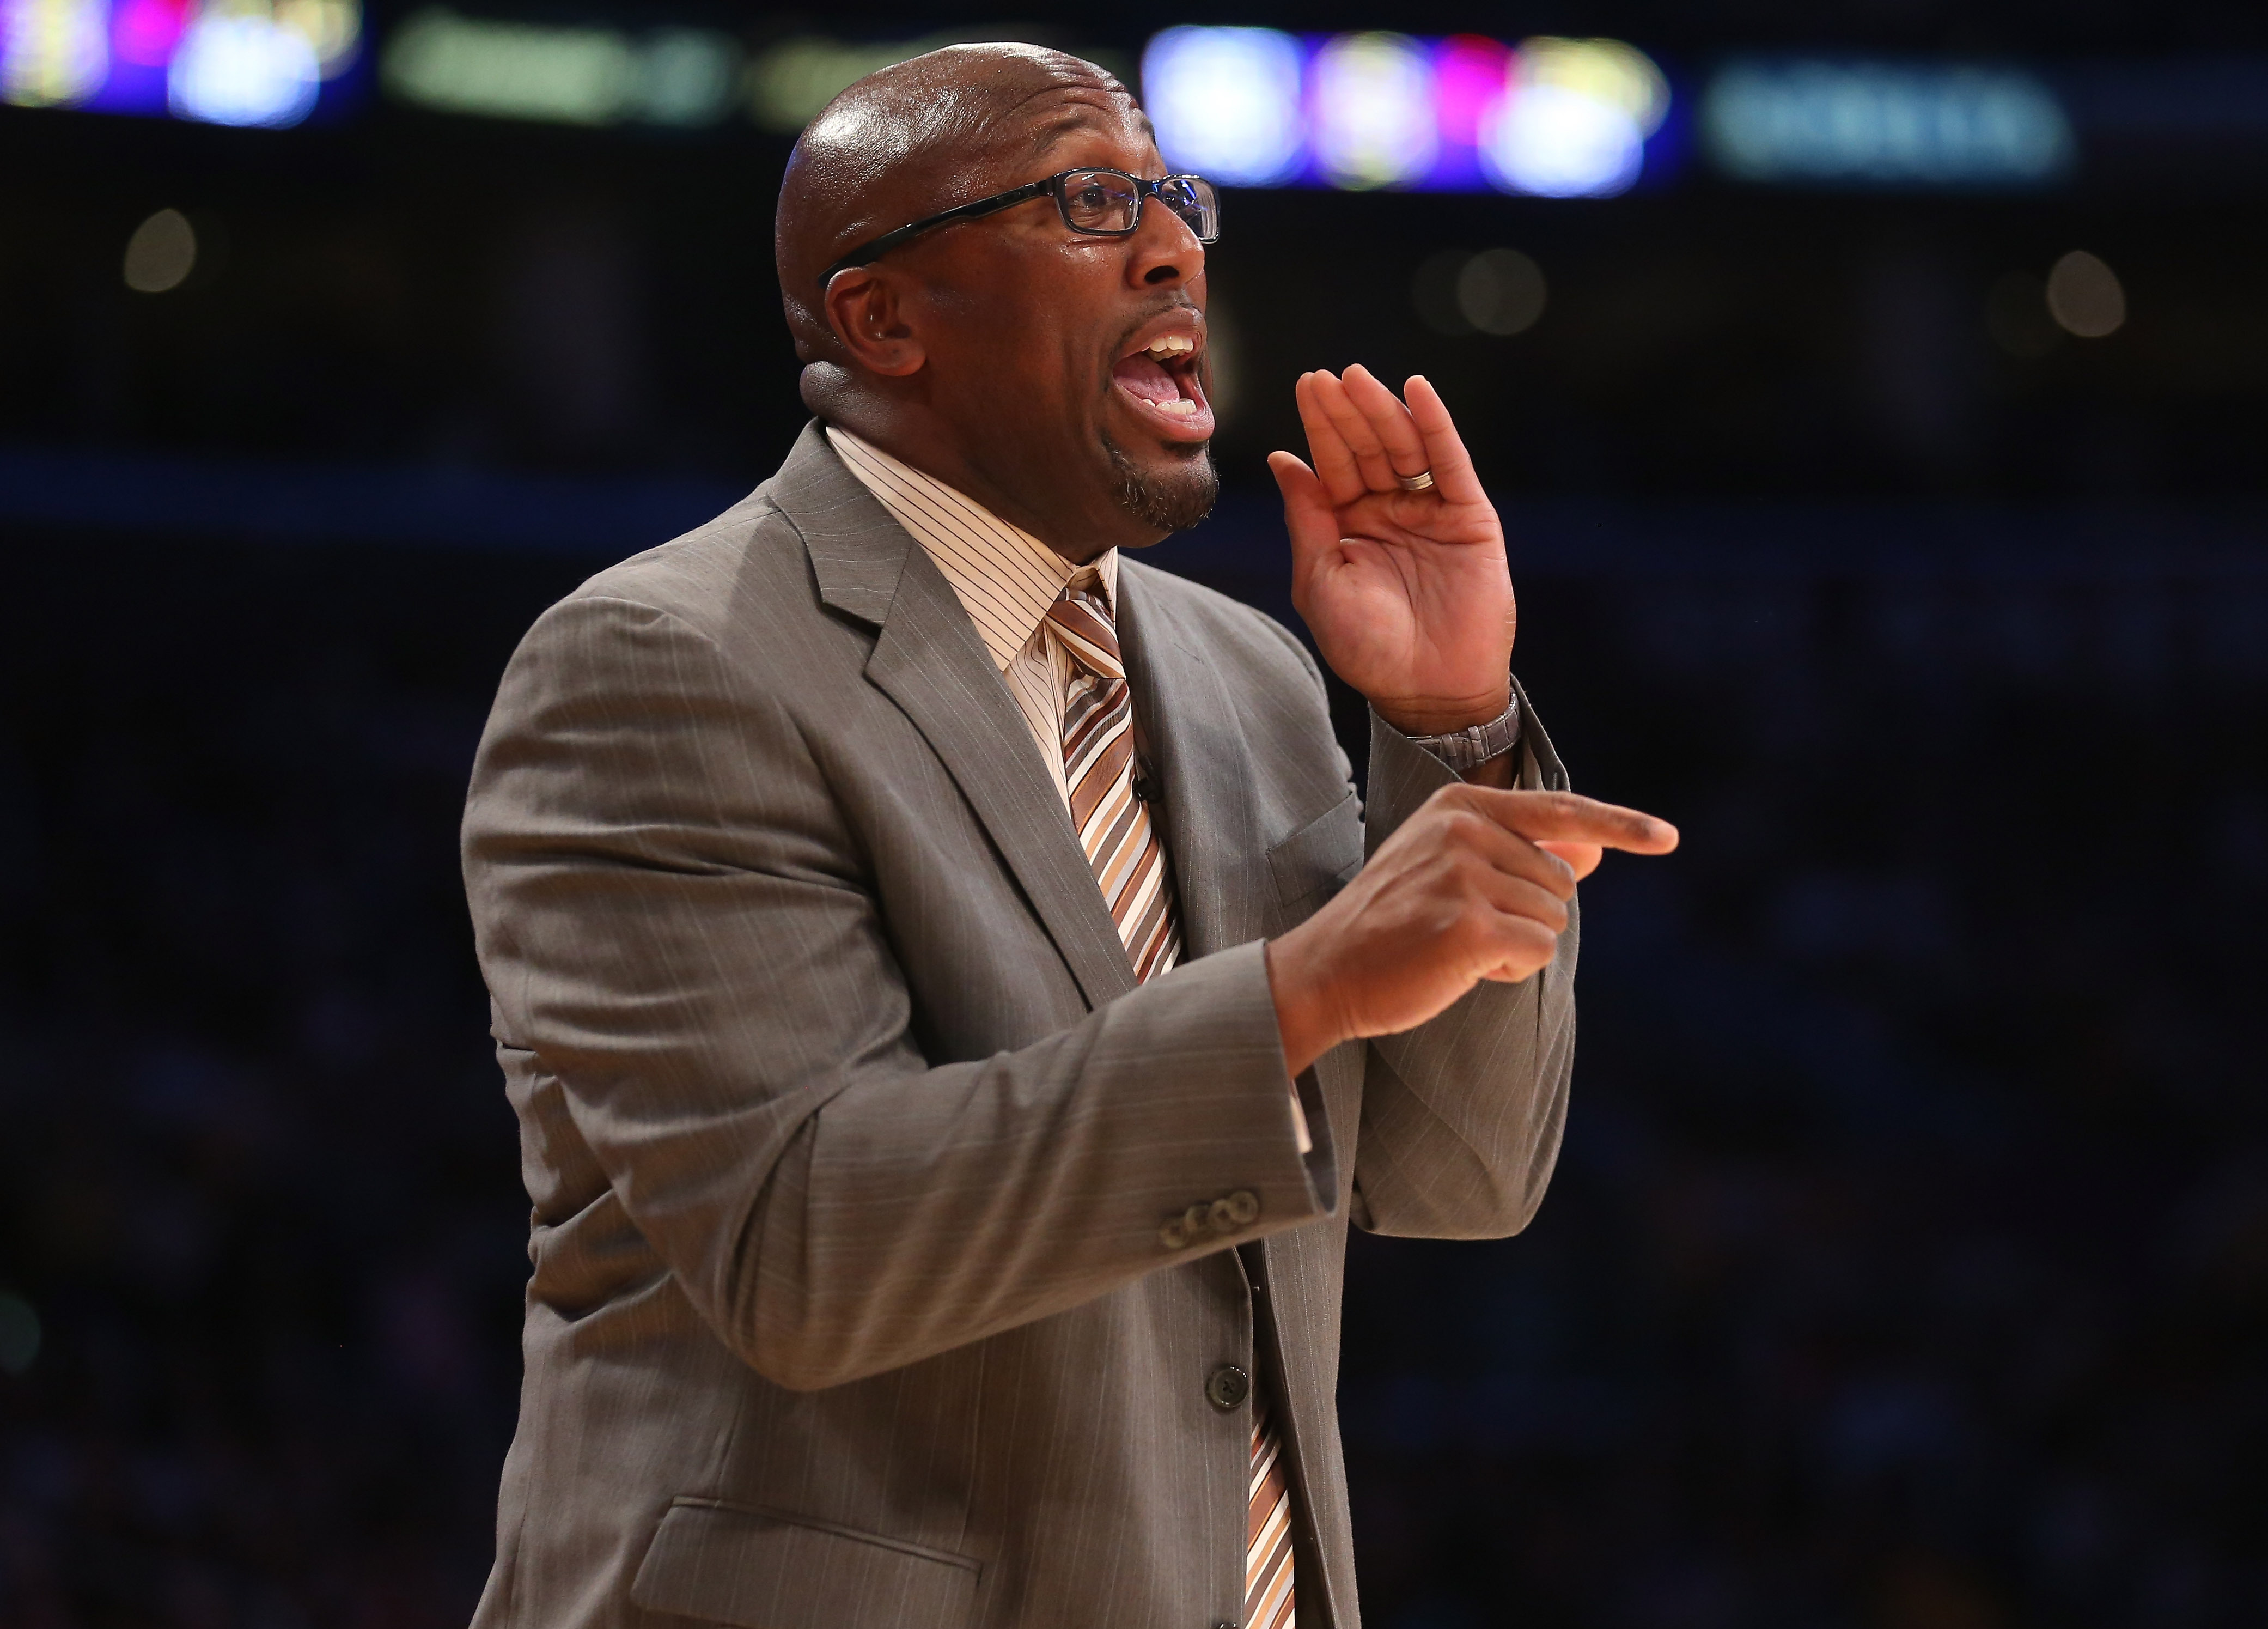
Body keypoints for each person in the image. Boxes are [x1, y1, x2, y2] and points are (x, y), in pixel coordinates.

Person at [458, 41, 1676, 1629]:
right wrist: (1301, 988)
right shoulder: (662, 659)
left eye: (1173, 194)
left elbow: (1459, 1173)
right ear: (882, 318)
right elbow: (805, 1246)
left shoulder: (1244, 672)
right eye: (1088, 200)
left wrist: (1448, 724)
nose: (1171, 241)